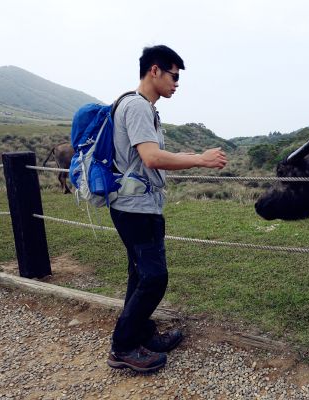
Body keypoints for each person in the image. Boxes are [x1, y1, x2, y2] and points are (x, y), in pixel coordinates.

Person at [106, 45, 227, 373]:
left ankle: (142, 334)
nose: (177, 83)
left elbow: (146, 158)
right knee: (154, 278)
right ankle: (123, 347)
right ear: (154, 71)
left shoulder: (137, 106)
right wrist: (200, 159)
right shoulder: (139, 107)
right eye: (174, 76)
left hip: (134, 206)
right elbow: (151, 157)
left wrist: (184, 156)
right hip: (136, 210)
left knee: (140, 274)